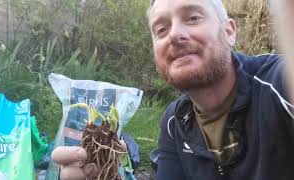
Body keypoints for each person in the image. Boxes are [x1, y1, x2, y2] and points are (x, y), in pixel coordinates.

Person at [52, 0, 294, 179]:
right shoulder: (175, 122)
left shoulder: (281, 86)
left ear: (229, 31)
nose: (175, 34)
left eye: (193, 18)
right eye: (161, 30)